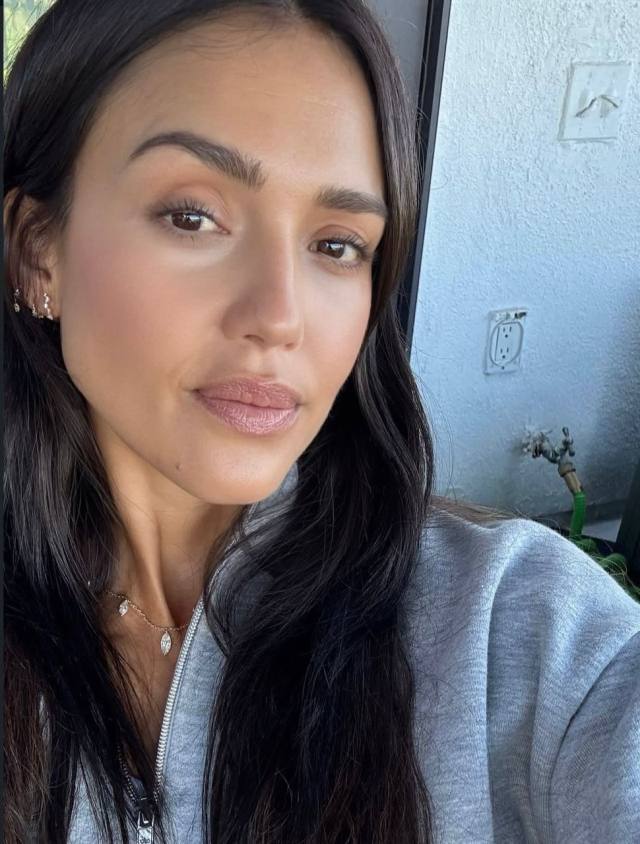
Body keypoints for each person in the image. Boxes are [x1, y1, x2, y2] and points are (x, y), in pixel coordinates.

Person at [3, 1, 639, 842]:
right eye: (192, 216)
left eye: (337, 245)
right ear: (37, 249)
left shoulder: (523, 633)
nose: (280, 316)